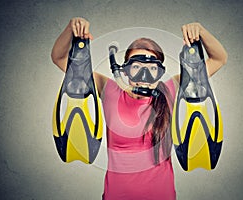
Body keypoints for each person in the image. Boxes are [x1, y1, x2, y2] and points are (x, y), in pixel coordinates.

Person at [51, 17, 228, 200]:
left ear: (159, 72)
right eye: (136, 67)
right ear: (125, 71)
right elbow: (59, 58)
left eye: (151, 68)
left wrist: (200, 30)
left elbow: (219, 58)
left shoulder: (170, 90)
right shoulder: (110, 90)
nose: (144, 75)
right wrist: (72, 29)